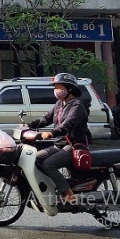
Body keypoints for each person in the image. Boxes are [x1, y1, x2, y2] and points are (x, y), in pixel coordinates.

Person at [25, 72, 91, 207]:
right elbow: (46, 118)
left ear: (70, 89)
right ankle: (52, 188)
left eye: (60, 87)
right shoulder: (59, 104)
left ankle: (69, 195)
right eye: (55, 87)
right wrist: (29, 125)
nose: (56, 90)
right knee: (34, 159)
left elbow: (68, 124)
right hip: (59, 144)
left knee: (48, 165)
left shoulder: (78, 105)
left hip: (73, 145)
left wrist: (51, 133)